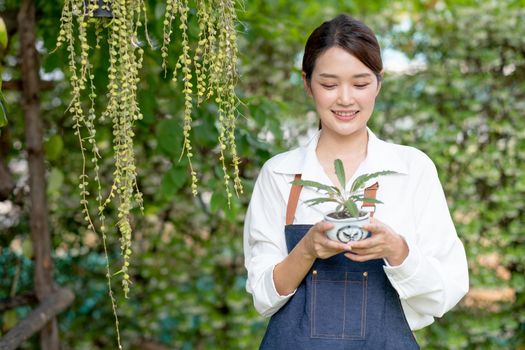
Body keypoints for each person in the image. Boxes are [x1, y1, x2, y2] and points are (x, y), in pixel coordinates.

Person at [243, 14, 469, 349]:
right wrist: (306, 249)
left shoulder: (411, 169)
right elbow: (263, 296)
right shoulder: (280, 174)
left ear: (379, 83)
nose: (346, 99)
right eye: (329, 85)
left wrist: (397, 251)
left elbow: (447, 288)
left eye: (360, 84)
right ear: (307, 83)